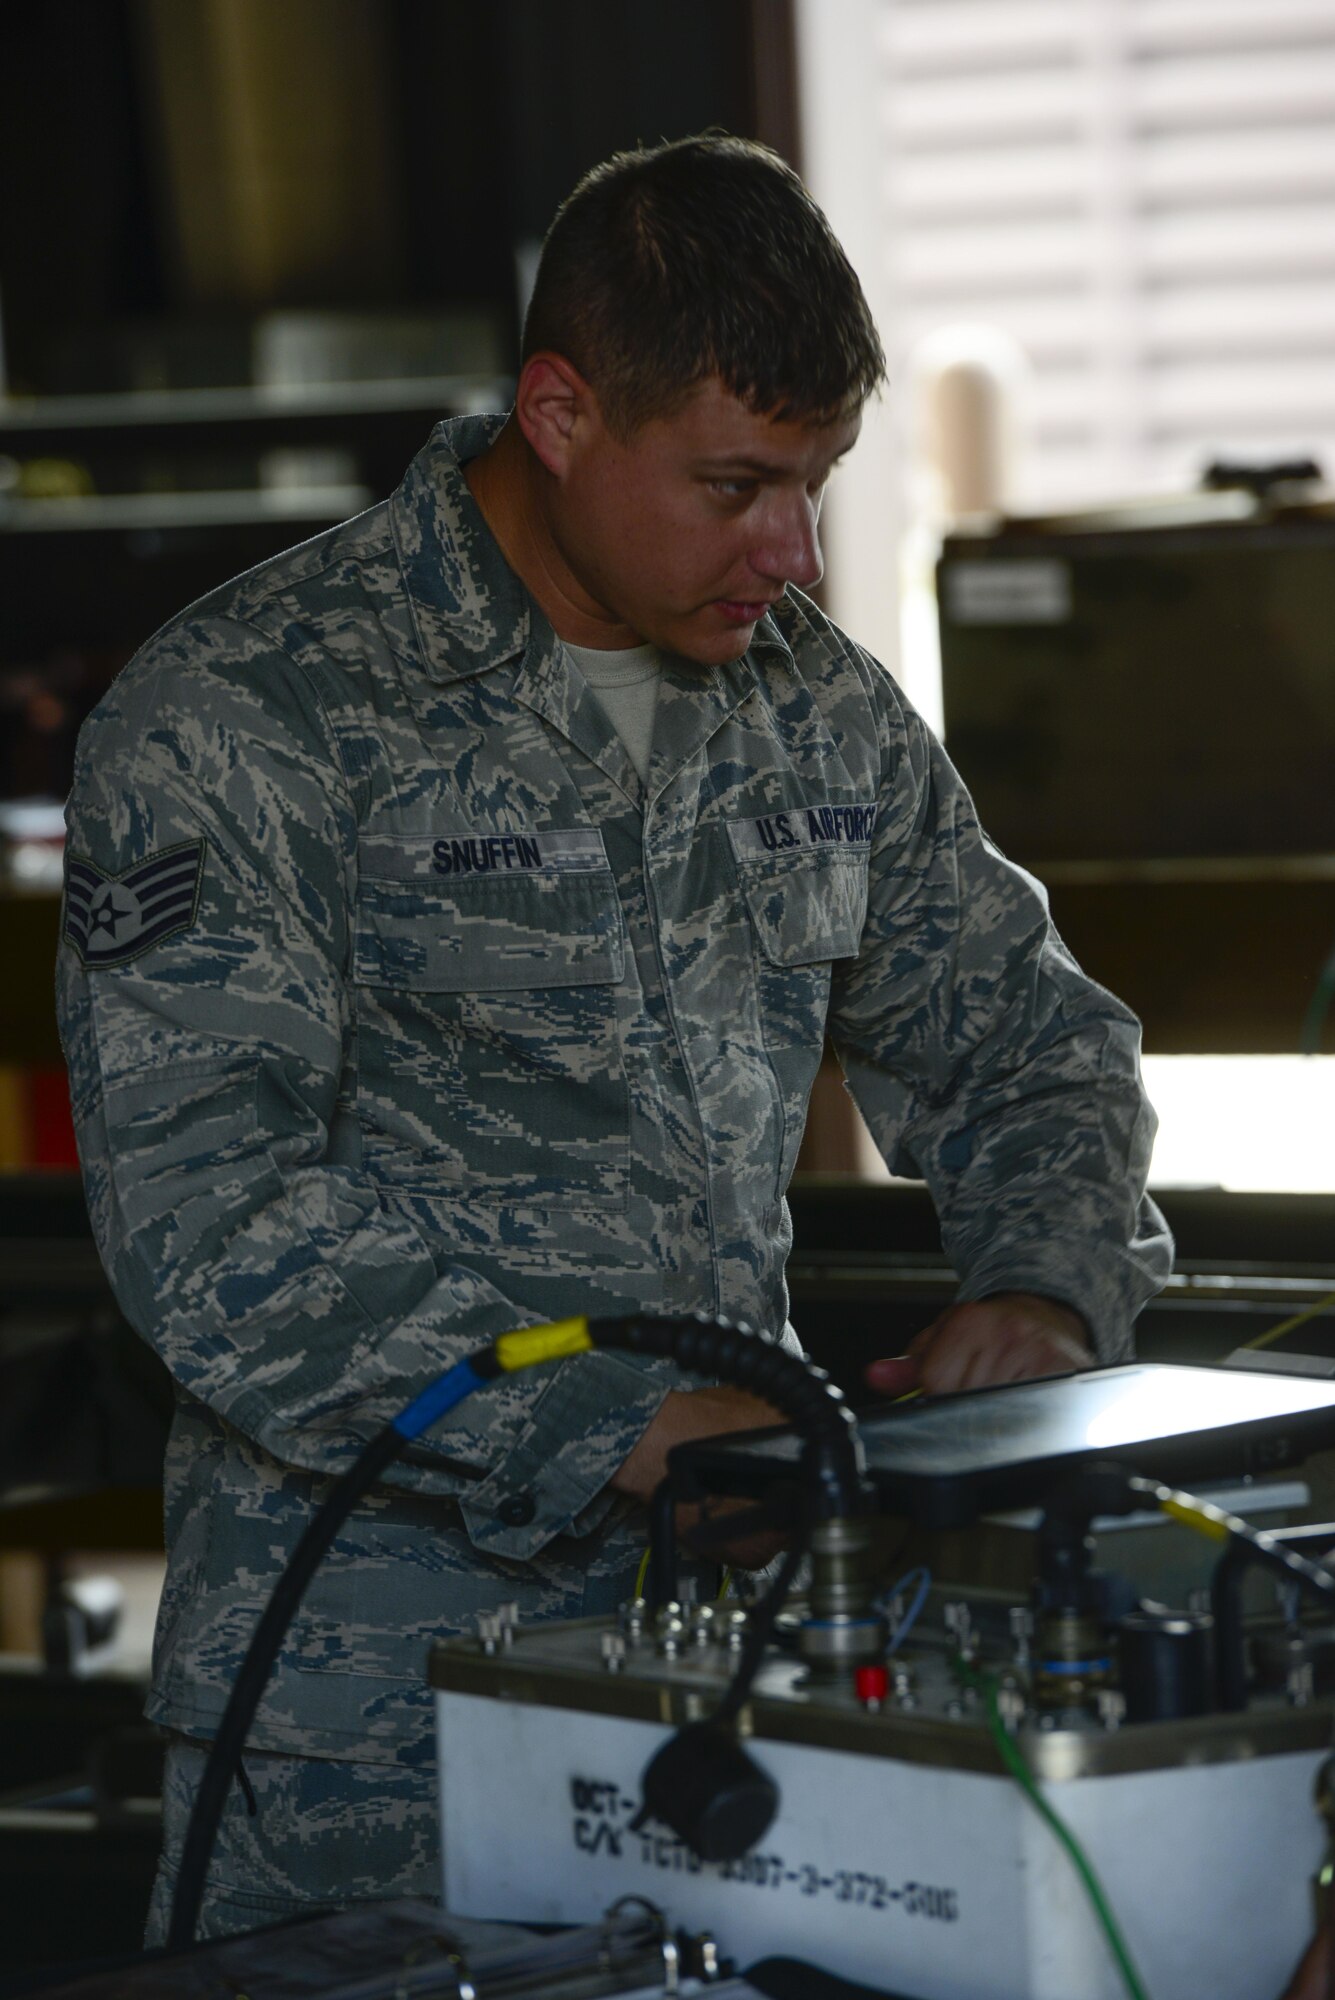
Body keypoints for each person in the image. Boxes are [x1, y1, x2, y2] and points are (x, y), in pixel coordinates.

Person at [55, 133, 1170, 1943]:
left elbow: (1033, 1048)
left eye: (815, 482)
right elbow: (213, 1223)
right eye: (736, 485)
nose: (792, 549)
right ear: (559, 414)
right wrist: (628, 1428)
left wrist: (1043, 1294)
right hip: (375, 1717)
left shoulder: (819, 717)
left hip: (733, 1677)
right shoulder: (248, 718)